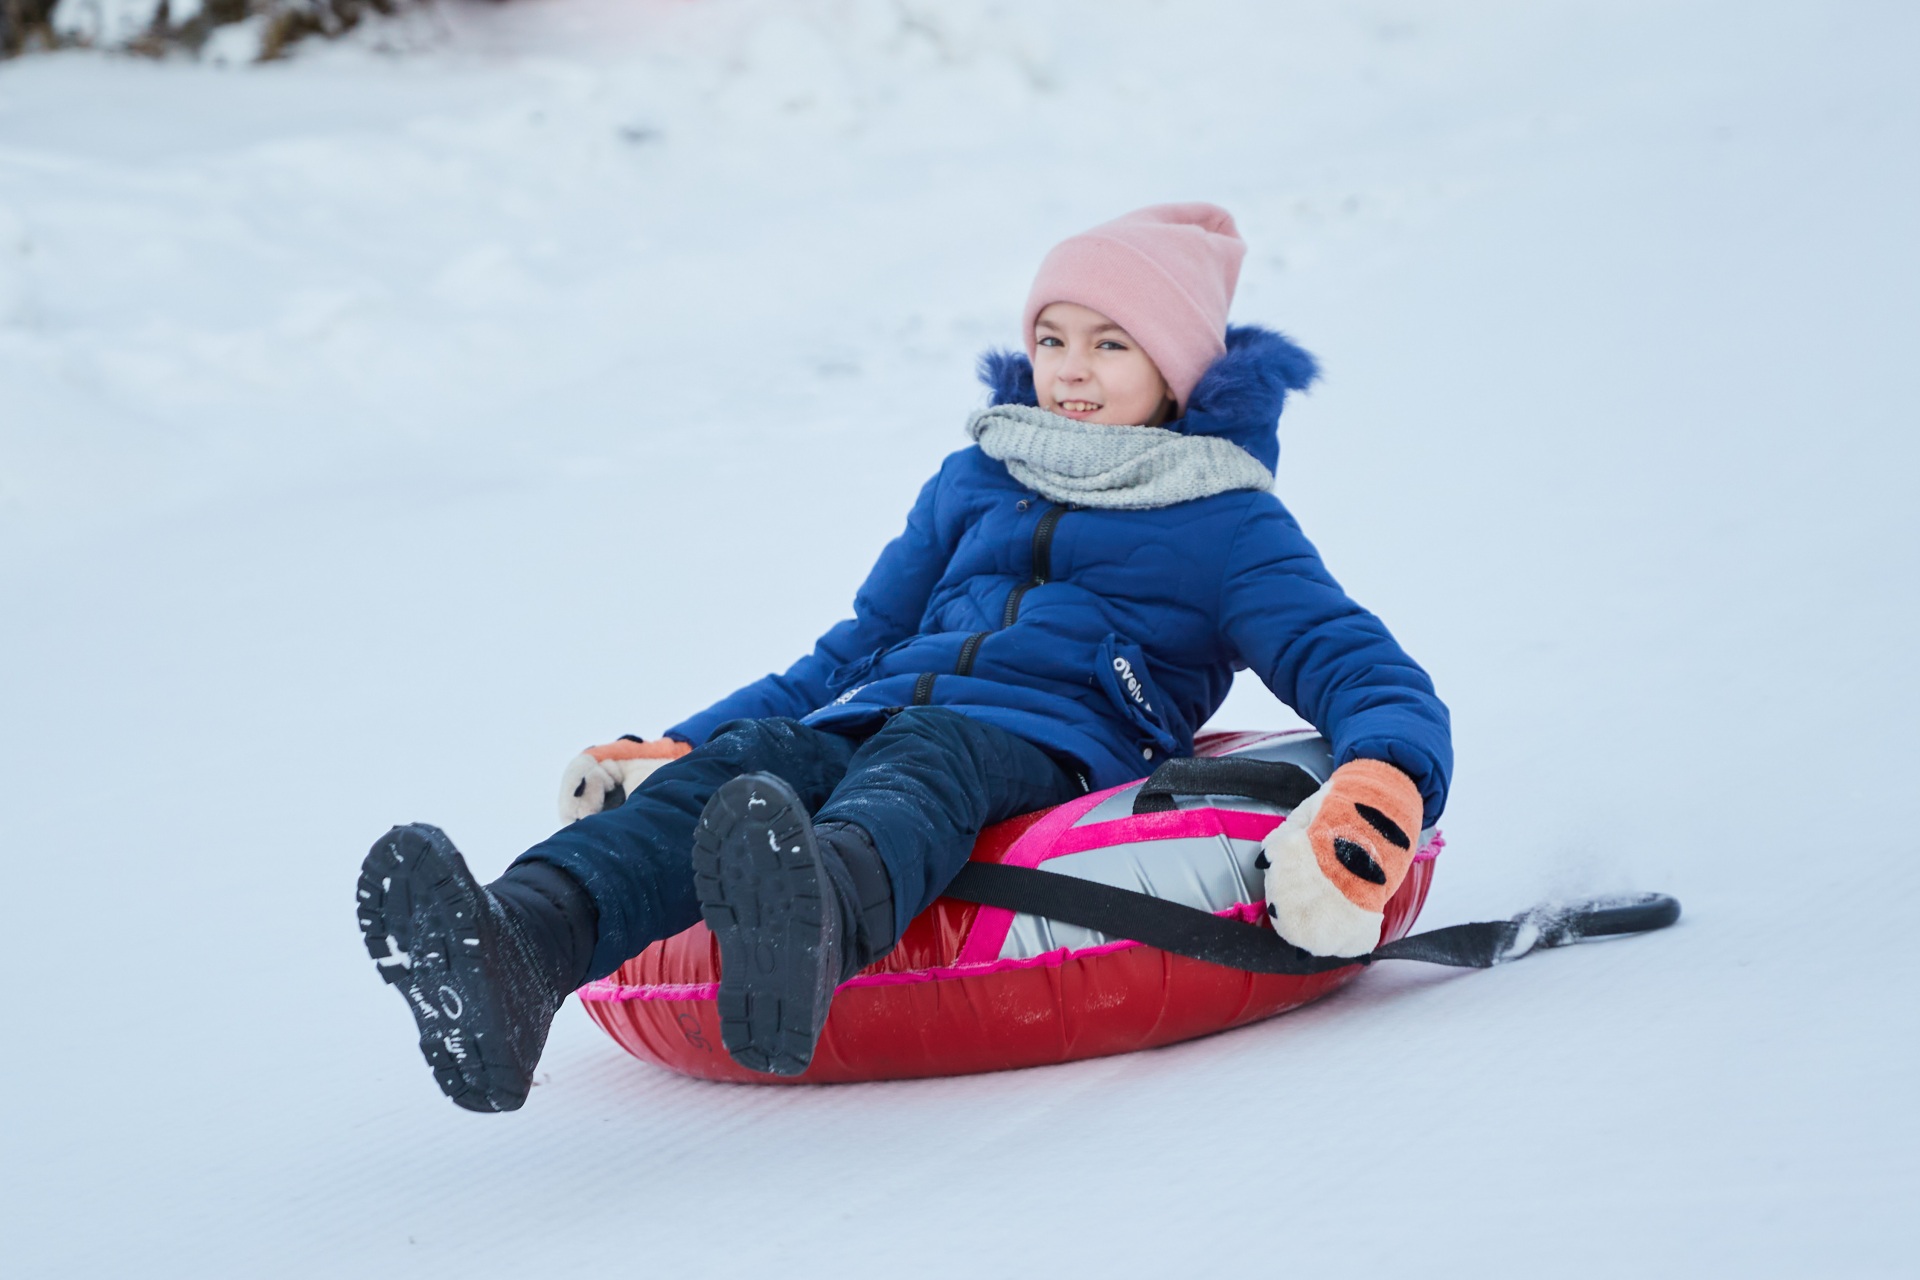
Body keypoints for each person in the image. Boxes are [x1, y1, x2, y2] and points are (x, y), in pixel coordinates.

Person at [356, 203, 1452, 1111]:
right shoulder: (976, 478)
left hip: (1048, 738)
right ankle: (518, 948)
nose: (1071, 370)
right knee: (760, 754)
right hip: (875, 707)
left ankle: (812, 922)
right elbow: (853, 646)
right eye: (1053, 338)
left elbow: (1360, 667)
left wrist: (1382, 776)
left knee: (926, 754)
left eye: (1111, 344)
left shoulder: (1225, 521)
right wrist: (689, 736)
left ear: (1176, 365)